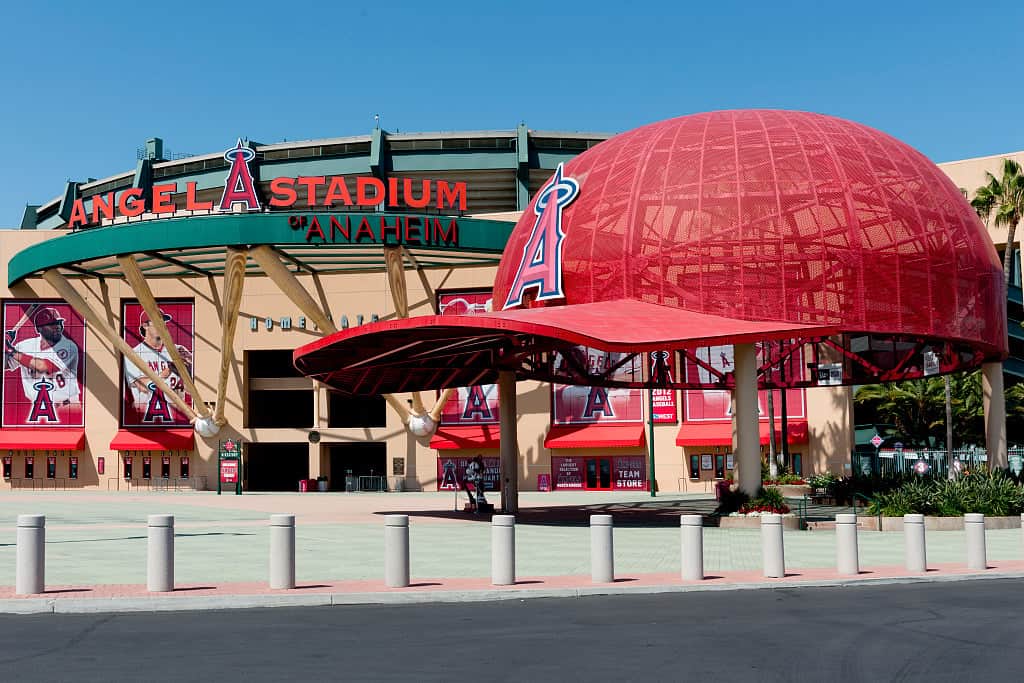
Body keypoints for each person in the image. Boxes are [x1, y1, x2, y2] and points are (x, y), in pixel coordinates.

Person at [4, 306, 81, 424]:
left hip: (66, 406)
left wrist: (11, 351)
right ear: (39, 329)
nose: (58, 327)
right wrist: (4, 347)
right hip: (37, 407)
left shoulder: (68, 346)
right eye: (52, 324)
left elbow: (43, 367)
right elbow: (5, 365)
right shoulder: (25, 346)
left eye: (59, 323)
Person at [124, 308, 193, 424]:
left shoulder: (177, 350)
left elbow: (189, 391)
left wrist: (189, 371)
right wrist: (168, 371)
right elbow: (144, 386)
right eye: (157, 321)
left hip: (178, 418)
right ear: (145, 325)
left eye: (163, 322)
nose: (162, 325)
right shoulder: (134, 354)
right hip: (145, 419)